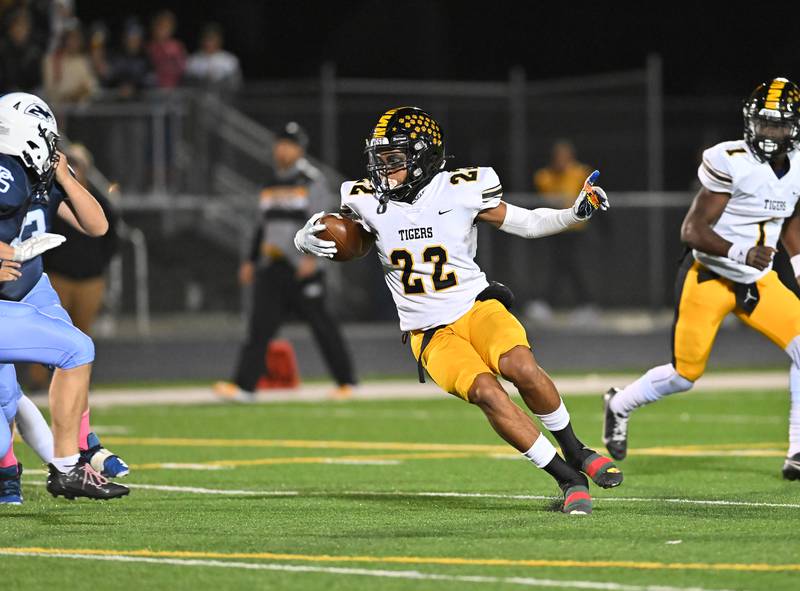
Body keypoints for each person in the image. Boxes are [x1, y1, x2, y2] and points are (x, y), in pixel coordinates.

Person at [295, 107, 620, 514]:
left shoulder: (461, 188)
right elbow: (333, 230)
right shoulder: (362, 199)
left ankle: (575, 448)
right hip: (427, 330)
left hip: (475, 305)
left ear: (424, 156)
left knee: (520, 367)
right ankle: (567, 478)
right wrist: (303, 239)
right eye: (379, 160)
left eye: (394, 160)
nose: (383, 170)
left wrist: (574, 214)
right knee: (487, 392)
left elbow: (529, 223)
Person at [603, 78, 800, 481]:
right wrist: (741, 252)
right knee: (684, 375)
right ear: (749, 121)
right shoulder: (730, 160)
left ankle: (797, 449)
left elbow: (792, 216)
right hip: (710, 276)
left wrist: (798, 265)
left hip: (758, 281)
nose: (768, 133)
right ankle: (619, 404)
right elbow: (692, 230)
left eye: (777, 125)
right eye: (763, 123)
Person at [0, 92, 128, 500]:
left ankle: (74, 455)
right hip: (5, 296)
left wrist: (66, 178)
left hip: (29, 286)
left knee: (73, 351)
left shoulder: (39, 176)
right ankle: (38, 469)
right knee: (7, 404)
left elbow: (97, 225)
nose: (53, 148)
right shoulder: (6, 174)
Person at [214, 122, 357, 402]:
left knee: (323, 326)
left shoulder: (311, 180)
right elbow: (261, 226)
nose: (282, 149)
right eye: (280, 143)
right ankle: (245, 387)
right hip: (273, 265)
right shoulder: (270, 183)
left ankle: (347, 382)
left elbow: (323, 224)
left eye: (288, 144)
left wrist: (314, 259)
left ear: (300, 149)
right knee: (259, 327)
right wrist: (251, 260)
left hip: (302, 266)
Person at [532, 140, 597, 319]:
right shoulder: (544, 176)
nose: (562, 160)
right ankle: (581, 304)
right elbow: (549, 200)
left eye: (565, 156)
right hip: (555, 227)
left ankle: (581, 304)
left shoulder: (581, 172)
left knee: (567, 263)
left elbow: (582, 197)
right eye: (558, 157)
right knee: (561, 264)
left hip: (575, 228)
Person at [41, 20, 98, 108]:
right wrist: (72, 94)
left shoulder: (82, 61)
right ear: (64, 39)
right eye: (70, 38)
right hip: (58, 111)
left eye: (77, 38)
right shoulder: (52, 60)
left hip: (81, 112)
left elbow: (92, 87)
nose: (74, 42)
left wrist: (81, 92)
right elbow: (50, 91)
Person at [182, 23, 241, 92]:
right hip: (198, 97)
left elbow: (236, 85)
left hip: (223, 98)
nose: (209, 43)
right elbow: (187, 84)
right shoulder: (193, 60)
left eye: (212, 39)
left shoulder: (229, 60)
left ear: (219, 40)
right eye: (206, 39)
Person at [0, 8, 43, 94]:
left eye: (24, 26)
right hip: (6, 93)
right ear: (10, 29)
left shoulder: (34, 51)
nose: (21, 30)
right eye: (17, 25)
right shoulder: (2, 49)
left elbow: (37, 81)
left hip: (28, 93)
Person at [146, 10, 186, 91]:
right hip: (152, 92)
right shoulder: (149, 47)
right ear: (154, 27)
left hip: (174, 90)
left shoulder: (177, 47)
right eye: (160, 26)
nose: (163, 30)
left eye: (166, 27)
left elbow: (183, 68)